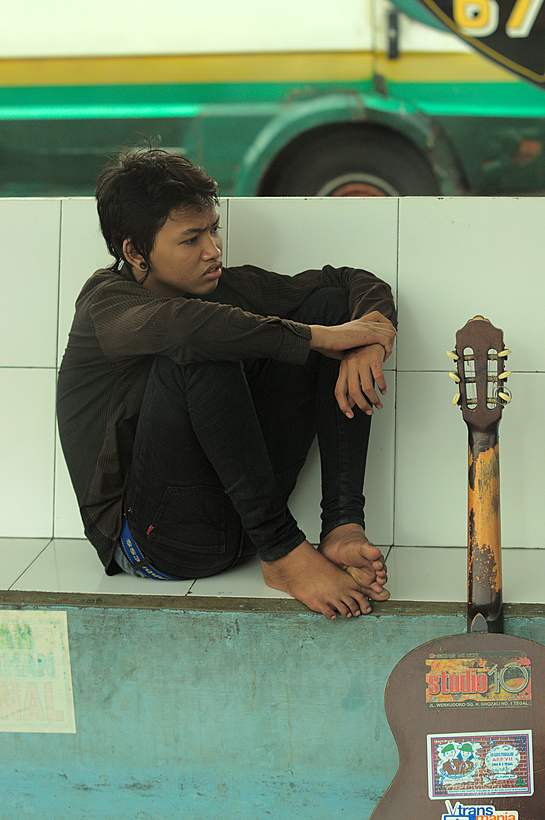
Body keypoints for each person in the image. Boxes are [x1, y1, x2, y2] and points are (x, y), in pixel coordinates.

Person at [57, 146, 397, 621]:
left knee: (329, 305)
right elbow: (188, 330)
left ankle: (341, 525)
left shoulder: (223, 287)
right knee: (203, 344)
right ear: (134, 251)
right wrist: (323, 338)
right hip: (154, 545)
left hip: (240, 527)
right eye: (191, 239)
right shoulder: (107, 305)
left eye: (213, 230)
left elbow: (348, 282)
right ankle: (284, 554)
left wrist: (365, 344)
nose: (213, 250)